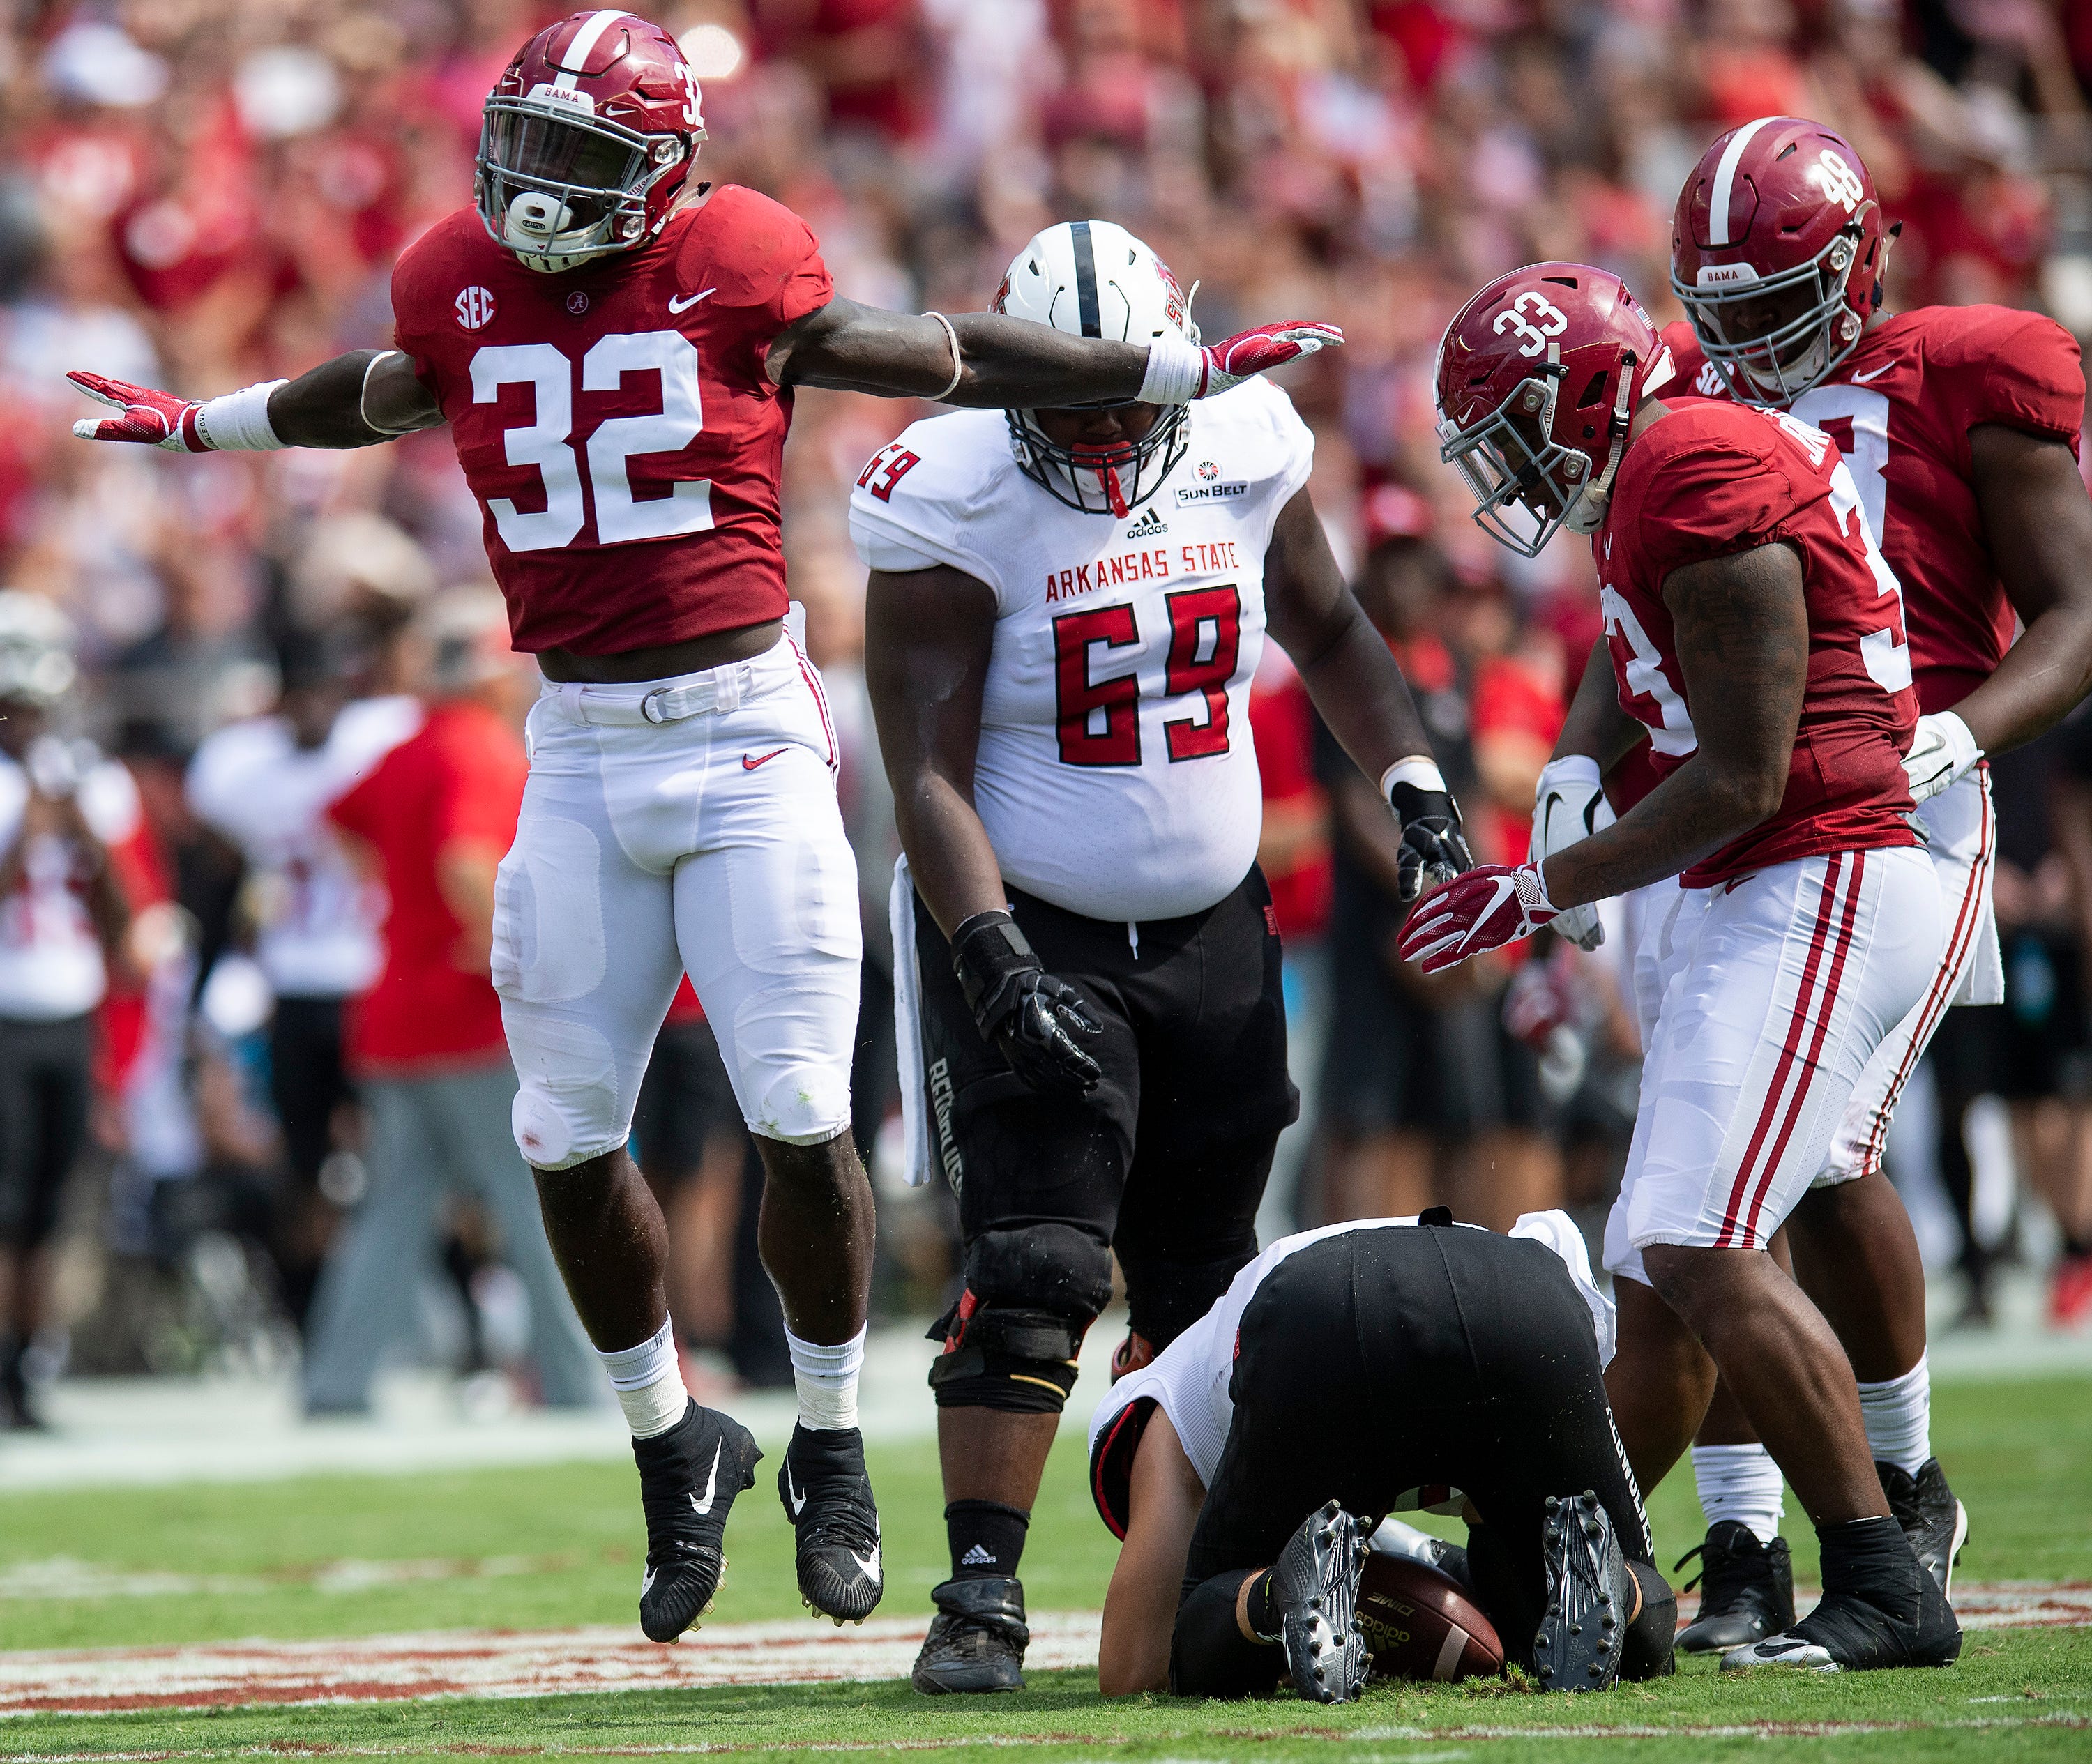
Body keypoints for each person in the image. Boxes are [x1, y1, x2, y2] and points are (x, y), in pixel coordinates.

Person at [63, 10, 1344, 1638]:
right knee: (559, 1131)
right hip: (578, 741)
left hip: (743, 726)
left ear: (666, 169)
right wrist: (207, 423)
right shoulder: (456, 276)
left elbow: (934, 353)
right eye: (528, 145)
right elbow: (384, 391)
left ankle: (829, 1439)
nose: (540, 187)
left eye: (582, 155)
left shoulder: (736, 257)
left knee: (799, 1102)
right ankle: (675, 1441)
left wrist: (1165, 372)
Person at [854, 218, 1465, 1693]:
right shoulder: (951, 491)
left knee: (1208, 1277)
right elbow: (925, 767)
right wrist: (992, 958)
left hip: (1213, 924)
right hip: (1030, 916)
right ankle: (981, 1593)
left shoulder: (1246, 439)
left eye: (1121, 402)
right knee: (1037, 1261)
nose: (1102, 435)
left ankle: (1220, 1558)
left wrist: (1416, 788)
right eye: (1066, 406)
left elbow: (1328, 624)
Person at [1548, 116, 2092, 1652]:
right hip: (1721, 798)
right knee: (1733, 1163)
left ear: (1863, 264)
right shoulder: (1683, 398)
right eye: (1721, 312)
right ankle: (1744, 1538)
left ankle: (1900, 1488)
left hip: (1894, 794)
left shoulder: (1972, 370)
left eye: (1779, 306)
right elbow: (1648, 609)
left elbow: (2077, 611)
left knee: (1801, 1164)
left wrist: (1966, 730)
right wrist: (1579, 758)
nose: (1749, 347)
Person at [1411, 260, 1960, 1674]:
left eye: (1514, 429)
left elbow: (1743, 775)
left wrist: (1538, 887)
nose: (1508, 469)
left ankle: (1885, 1569)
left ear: (1584, 391)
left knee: (1702, 1240)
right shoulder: (1667, 463)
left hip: (1818, 868)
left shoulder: (1693, 468)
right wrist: (1577, 767)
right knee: (1659, 1269)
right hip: (1773, 880)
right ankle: (1538, 1559)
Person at [1086, 1210, 1673, 1702]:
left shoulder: (1168, 1403)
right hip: (1525, 1291)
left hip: (1322, 1307)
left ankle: (1281, 1595)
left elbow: (1133, 1671)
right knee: (1581, 1627)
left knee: (1199, 1645)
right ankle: (1617, 1588)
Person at [301, 586, 598, 1415]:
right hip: (467, 1019)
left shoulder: (408, 748)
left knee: (393, 1210)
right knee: (542, 1197)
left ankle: (335, 1383)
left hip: (396, 1017)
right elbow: (464, 861)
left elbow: (338, 821)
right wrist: (512, 947)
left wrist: (414, 906)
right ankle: (578, 1378)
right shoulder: (478, 748)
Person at [184, 628, 420, 1328]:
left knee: (403, 1150)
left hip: (369, 978)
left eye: (322, 692)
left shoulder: (379, 740)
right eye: (298, 695)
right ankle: (311, 1312)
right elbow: (217, 850)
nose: (311, 709)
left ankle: (426, 1307)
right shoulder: (240, 766)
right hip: (292, 984)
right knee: (302, 1160)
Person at [0, 593, 135, 1427]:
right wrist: (29, 831)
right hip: (6, 1011)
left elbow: (120, 919)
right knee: (5, 1202)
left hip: (67, 1006)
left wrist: (85, 835)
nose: (29, 725)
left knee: (52, 1203)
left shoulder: (85, 782)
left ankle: (28, 1367)